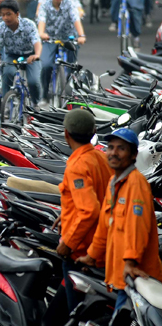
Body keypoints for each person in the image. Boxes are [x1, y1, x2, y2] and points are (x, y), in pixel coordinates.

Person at [77, 128, 162, 316]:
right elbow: (104, 227)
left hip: (138, 278)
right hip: (120, 274)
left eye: (121, 149)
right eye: (110, 147)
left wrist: (131, 262)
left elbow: (138, 228)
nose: (113, 153)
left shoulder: (136, 184)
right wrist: (91, 255)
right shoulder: (114, 183)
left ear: (133, 155)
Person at [54, 109, 114, 312]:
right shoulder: (102, 158)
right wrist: (65, 214)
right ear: (94, 131)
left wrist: (68, 244)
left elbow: (90, 210)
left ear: (66, 134)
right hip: (104, 247)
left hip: (82, 253)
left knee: (76, 316)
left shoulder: (78, 166)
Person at [37, 0, 86, 104]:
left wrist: (81, 35)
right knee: (46, 65)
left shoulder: (69, 4)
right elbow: (41, 20)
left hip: (69, 38)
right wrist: (41, 33)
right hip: (50, 39)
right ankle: (44, 95)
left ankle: (71, 93)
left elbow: (76, 19)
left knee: (72, 67)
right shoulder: (45, 6)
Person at [0, 0, 42, 106]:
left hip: (30, 55)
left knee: (33, 81)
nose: (5, 18)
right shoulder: (0, 27)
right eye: (3, 15)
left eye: (8, 14)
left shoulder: (29, 24)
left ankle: (36, 103)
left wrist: (36, 55)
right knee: (7, 73)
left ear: (17, 14)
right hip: (12, 55)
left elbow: (37, 42)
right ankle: (5, 104)